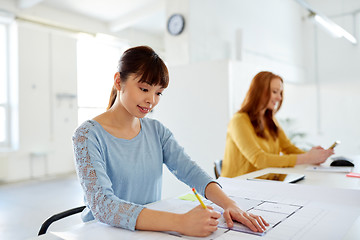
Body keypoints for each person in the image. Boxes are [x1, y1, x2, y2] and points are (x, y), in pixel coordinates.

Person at [72, 46, 268, 237]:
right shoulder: (87, 135)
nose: (151, 100)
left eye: (158, 93)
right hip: (101, 233)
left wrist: (230, 204)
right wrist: (180, 222)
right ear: (118, 81)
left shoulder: (156, 131)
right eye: (144, 88)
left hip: (147, 232)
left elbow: (190, 171)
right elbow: (103, 205)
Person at [221, 71, 334, 178]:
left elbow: (288, 148)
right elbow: (259, 159)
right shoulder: (239, 120)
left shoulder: (270, 119)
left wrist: (314, 156)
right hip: (238, 188)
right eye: (275, 92)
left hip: (263, 184)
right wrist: (307, 158)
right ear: (259, 92)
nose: (279, 98)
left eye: (280, 93)